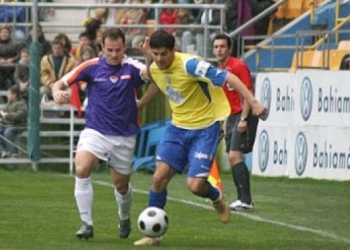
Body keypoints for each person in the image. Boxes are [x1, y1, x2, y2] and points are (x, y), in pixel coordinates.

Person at [134, 30, 267, 246]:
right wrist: (141, 102)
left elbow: (229, 77)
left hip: (205, 129)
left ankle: (217, 198)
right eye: (155, 54)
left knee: (195, 186)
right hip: (177, 128)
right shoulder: (154, 67)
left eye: (163, 54)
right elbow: (155, 80)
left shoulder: (190, 65)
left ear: (174, 50)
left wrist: (253, 103)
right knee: (159, 177)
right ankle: (153, 235)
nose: (159, 59)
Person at [51, 28, 152, 240]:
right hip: (96, 130)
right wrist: (57, 91)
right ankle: (86, 224)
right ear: (102, 48)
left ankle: (124, 216)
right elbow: (59, 83)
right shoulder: (92, 66)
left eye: (118, 50)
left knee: (121, 185)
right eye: (109, 50)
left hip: (124, 135)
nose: (114, 54)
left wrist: (148, 57)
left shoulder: (132, 67)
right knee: (82, 167)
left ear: (124, 47)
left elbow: (152, 76)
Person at [212, 33, 258, 211]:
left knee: (234, 155)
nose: (219, 50)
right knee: (233, 158)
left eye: (222, 46)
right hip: (231, 116)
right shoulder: (219, 70)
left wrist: (244, 119)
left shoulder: (238, 66)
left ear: (229, 49)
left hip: (242, 114)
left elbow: (248, 93)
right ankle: (242, 199)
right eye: (216, 47)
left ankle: (246, 200)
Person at [0, 84, 27, 159]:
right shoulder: (9, 103)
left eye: (9, 94)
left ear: (14, 95)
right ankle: (2, 151)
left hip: (17, 125)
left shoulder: (21, 104)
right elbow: (4, 113)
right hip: (6, 123)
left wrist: (6, 115)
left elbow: (19, 116)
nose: (7, 95)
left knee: (7, 133)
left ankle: (14, 152)